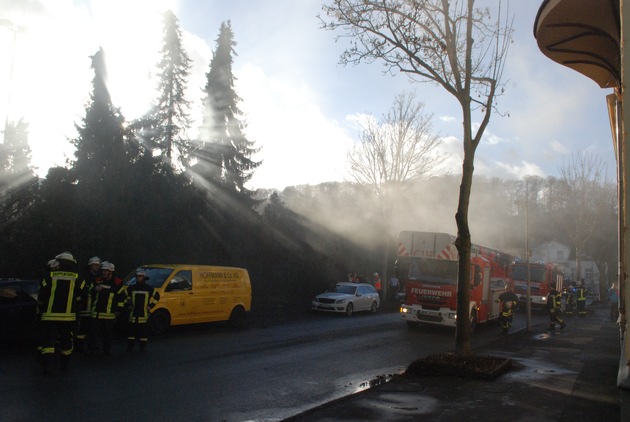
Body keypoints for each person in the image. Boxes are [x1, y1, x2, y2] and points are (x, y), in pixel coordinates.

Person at [38, 252, 86, 375]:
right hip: (69, 318)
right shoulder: (77, 278)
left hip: (49, 316)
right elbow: (84, 295)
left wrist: (42, 306)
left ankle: (47, 366)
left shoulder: (49, 276)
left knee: (48, 342)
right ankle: (64, 365)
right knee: (66, 342)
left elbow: (42, 295)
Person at [88, 261, 125, 356]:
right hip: (96, 312)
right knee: (93, 333)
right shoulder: (97, 280)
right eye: (103, 271)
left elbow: (122, 297)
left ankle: (106, 350)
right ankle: (91, 349)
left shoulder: (118, 283)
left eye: (106, 271)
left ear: (111, 272)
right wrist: (94, 289)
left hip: (109, 314)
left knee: (107, 334)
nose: (104, 272)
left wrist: (119, 309)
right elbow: (88, 291)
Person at [125, 268, 160, 352]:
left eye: (140, 276)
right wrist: (128, 305)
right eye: (137, 276)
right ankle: (130, 347)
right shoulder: (131, 288)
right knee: (131, 333)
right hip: (133, 314)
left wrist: (151, 306)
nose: (138, 278)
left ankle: (142, 348)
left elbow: (157, 296)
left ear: (144, 277)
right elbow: (125, 297)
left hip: (144, 315)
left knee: (144, 333)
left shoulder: (149, 289)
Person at [75, 256, 101, 354]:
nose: (97, 267)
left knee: (93, 328)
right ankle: (79, 347)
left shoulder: (98, 276)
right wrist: (94, 288)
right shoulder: (84, 276)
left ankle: (92, 346)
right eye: (95, 265)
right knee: (82, 328)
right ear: (90, 265)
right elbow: (82, 289)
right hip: (84, 305)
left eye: (98, 265)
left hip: (94, 306)